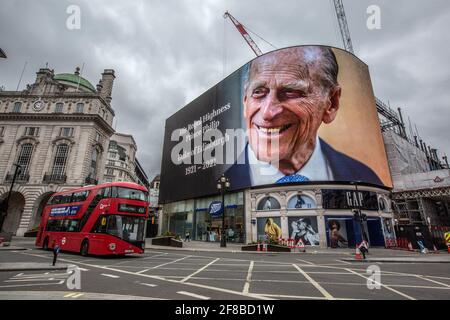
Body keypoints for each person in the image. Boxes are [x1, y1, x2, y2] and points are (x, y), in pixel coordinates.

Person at [226, 46, 382, 188]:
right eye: (258, 92)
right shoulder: (223, 184)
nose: (267, 112)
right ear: (245, 102)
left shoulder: (365, 178)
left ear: (331, 103)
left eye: (291, 92)